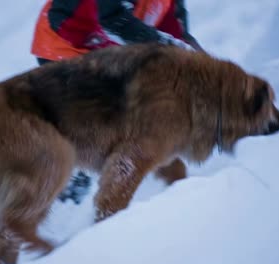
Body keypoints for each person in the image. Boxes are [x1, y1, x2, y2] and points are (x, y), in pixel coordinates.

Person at [31, 0, 202, 204]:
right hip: (66, 44)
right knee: (104, 129)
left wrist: (197, 62)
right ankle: (70, 195)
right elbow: (110, 18)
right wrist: (167, 47)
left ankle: (161, 188)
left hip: (114, 46)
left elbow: (173, 26)